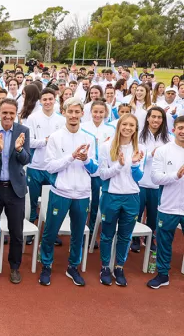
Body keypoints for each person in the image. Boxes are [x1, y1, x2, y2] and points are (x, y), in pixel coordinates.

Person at [38, 97, 98, 287]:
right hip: (60, 192)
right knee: (50, 231)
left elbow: (95, 169)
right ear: (64, 112)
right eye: (70, 112)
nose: (73, 115)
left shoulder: (89, 137)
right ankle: (46, 265)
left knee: (78, 233)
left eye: (77, 112)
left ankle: (73, 266)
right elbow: (49, 167)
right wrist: (71, 157)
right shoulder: (56, 137)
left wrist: (86, 160)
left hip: (82, 194)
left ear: (82, 113)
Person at [0, 99, 30, 283]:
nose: (8, 116)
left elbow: (26, 159)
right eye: (4, 113)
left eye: (11, 113)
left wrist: (19, 149)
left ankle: (14, 267)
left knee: (16, 232)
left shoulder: (23, 131)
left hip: (15, 189)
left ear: (16, 113)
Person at [98, 113, 144, 287]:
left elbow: (139, 177)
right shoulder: (106, 147)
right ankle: (105, 267)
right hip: (111, 196)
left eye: (131, 125)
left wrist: (133, 165)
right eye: (124, 124)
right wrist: (119, 165)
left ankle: (119, 267)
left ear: (136, 128)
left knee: (125, 236)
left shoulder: (140, 148)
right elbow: (102, 174)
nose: (127, 128)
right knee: (107, 234)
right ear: (119, 126)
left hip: (132, 197)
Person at [146, 116, 184, 288]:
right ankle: (162, 274)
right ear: (174, 129)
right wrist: (176, 175)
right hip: (168, 205)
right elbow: (155, 178)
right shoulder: (163, 151)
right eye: (180, 127)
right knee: (164, 242)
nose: (183, 131)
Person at [23, 88, 65, 243]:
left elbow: (63, 141)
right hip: (35, 166)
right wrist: (46, 141)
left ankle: (52, 233)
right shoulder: (33, 118)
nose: (47, 102)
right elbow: (29, 141)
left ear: (55, 100)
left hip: (53, 167)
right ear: (40, 101)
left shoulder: (61, 120)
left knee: (53, 202)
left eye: (50, 99)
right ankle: (30, 231)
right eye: (44, 99)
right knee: (32, 201)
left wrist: (51, 141)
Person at [132, 106, 171, 253]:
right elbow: (135, 156)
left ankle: (150, 238)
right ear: (148, 118)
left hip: (158, 184)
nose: (156, 120)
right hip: (140, 182)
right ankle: (135, 238)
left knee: (154, 215)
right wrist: (151, 154)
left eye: (159, 117)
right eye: (153, 116)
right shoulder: (139, 136)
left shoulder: (168, 139)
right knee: (137, 212)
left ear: (163, 120)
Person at [81, 100, 116, 245]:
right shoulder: (83, 127)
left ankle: (92, 234)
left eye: (101, 112)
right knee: (82, 203)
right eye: (95, 111)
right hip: (83, 169)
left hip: (99, 173)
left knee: (96, 203)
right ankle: (80, 232)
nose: (98, 114)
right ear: (91, 112)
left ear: (106, 113)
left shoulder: (110, 130)